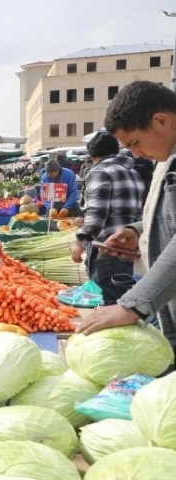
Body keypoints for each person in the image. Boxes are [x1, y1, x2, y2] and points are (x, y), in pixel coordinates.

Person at [77, 80, 176, 355]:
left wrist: (133, 305)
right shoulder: (167, 158)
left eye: (134, 143)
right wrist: (138, 230)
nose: (135, 154)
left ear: (161, 121)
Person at [71, 131, 145, 305]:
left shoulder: (100, 172)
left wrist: (80, 243)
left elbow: (97, 213)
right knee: (124, 303)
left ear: (92, 155)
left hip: (108, 249)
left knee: (109, 303)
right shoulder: (133, 173)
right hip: (129, 249)